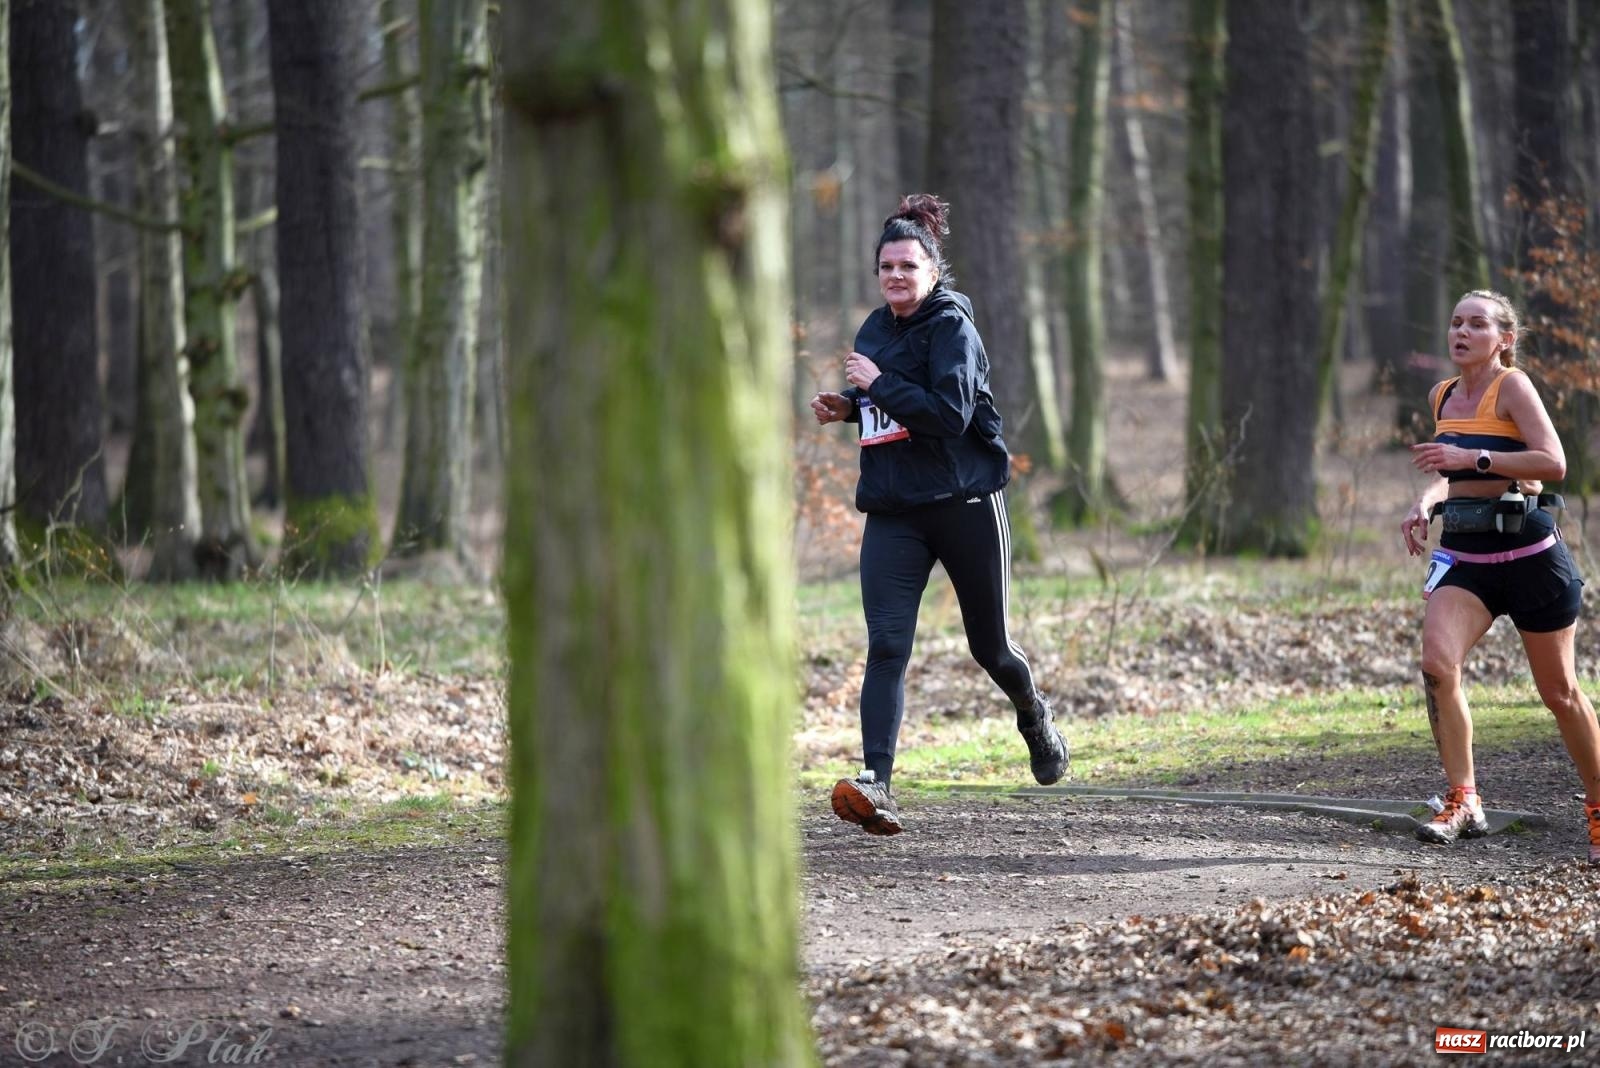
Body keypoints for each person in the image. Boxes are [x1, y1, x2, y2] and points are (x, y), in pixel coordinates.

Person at [810, 193, 1067, 837]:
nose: (896, 276)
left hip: (964, 503)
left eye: (908, 266)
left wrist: (875, 385)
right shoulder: (874, 330)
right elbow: (893, 408)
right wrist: (850, 407)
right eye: (887, 267)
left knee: (990, 647)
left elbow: (948, 415)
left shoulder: (954, 328)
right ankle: (877, 783)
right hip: (895, 510)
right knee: (886, 644)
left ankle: (1033, 714)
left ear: (932, 271)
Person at [1402, 288, 1600, 861]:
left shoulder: (1512, 386)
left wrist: (1476, 459)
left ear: (1503, 339)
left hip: (1530, 557)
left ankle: (1598, 805)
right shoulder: (1442, 394)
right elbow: (1448, 472)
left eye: (1477, 324)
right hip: (1467, 558)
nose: (1462, 332)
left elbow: (1553, 463)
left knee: (1559, 693)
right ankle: (1464, 799)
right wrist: (1425, 502)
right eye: (1456, 322)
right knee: (1437, 665)